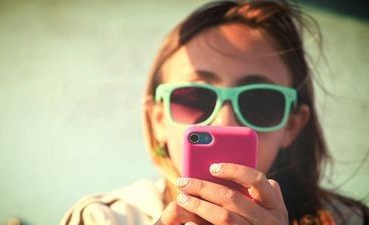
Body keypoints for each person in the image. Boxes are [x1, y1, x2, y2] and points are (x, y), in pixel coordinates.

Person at [60, 1, 369, 224]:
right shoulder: (101, 218)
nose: (225, 122)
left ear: (292, 126)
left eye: (260, 102)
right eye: (194, 98)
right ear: (158, 122)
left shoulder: (350, 220)